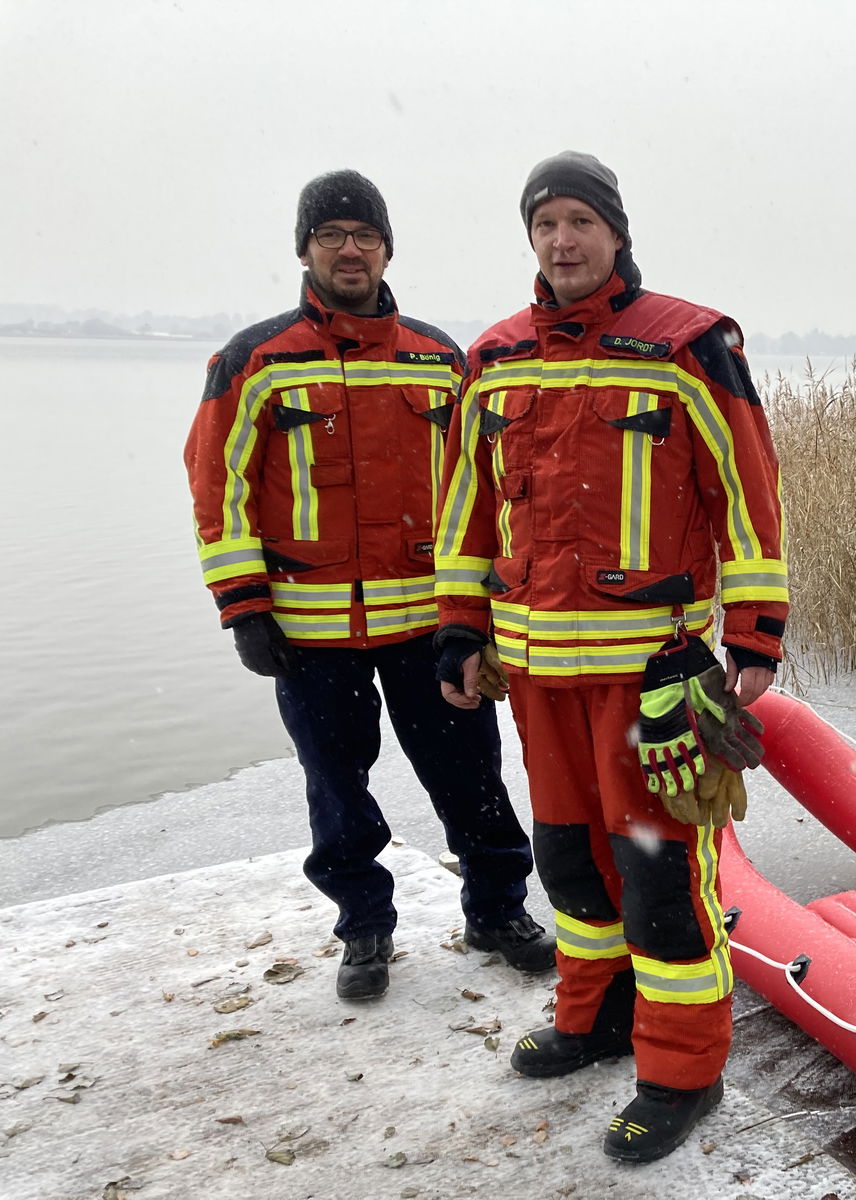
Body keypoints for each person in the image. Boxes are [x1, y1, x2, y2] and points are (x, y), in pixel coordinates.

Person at [433, 151, 787, 1163]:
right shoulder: (494, 356)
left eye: (580, 221)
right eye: (545, 224)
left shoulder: (688, 345)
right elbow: (465, 506)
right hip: (536, 679)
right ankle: (593, 1018)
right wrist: (459, 626)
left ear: (616, 233)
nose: (563, 241)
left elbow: (746, 494)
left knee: (660, 882)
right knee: (568, 865)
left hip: (651, 681)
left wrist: (754, 632)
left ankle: (682, 1072)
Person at [183, 169, 556, 1001]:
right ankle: (364, 928)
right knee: (337, 794)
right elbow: (217, 485)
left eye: (365, 236)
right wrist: (243, 608)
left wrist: (485, 608)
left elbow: (482, 489)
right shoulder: (254, 360)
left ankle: (498, 911)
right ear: (305, 250)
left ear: (387, 250)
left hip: (433, 627)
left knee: (473, 780)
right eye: (331, 236)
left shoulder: (439, 359)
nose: (349, 250)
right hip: (310, 633)